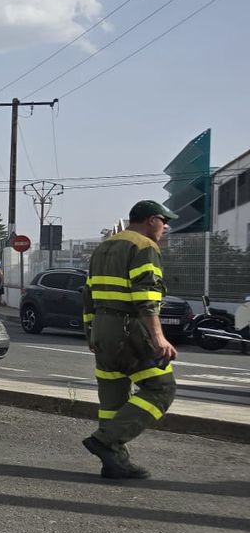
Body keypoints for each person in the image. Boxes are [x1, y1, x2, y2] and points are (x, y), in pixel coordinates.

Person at [78, 200, 179, 479]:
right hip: (129, 328)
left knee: (113, 398)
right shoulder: (144, 247)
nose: (166, 226)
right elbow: (146, 297)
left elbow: (88, 294)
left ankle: (115, 462)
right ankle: (105, 440)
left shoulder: (104, 246)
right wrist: (158, 338)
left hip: (102, 327)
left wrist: (90, 331)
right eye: (163, 220)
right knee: (162, 387)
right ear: (150, 220)